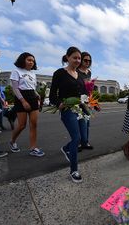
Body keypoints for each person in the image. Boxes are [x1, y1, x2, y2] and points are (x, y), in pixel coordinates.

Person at [49, 46, 88, 183]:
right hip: (67, 110)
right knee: (76, 138)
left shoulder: (80, 76)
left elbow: (83, 95)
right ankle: (74, 170)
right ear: (67, 57)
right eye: (75, 57)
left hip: (80, 110)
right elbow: (53, 94)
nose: (78, 60)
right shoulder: (60, 73)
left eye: (79, 58)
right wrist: (59, 103)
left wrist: (89, 102)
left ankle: (66, 148)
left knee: (83, 139)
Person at [9, 52, 45, 157]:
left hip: (32, 97)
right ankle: (12, 141)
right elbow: (15, 88)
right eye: (29, 60)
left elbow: (32, 88)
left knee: (34, 124)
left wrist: (38, 95)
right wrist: (23, 101)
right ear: (22, 60)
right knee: (22, 125)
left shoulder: (33, 73)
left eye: (33, 61)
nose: (31, 62)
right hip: (21, 98)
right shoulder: (16, 71)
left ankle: (33, 148)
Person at [76, 51, 93, 150]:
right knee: (79, 122)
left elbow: (89, 87)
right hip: (77, 101)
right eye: (85, 60)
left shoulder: (88, 72)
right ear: (81, 60)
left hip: (86, 100)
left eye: (89, 61)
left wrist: (91, 100)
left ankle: (85, 142)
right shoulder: (76, 71)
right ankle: (78, 143)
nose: (87, 62)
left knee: (86, 122)